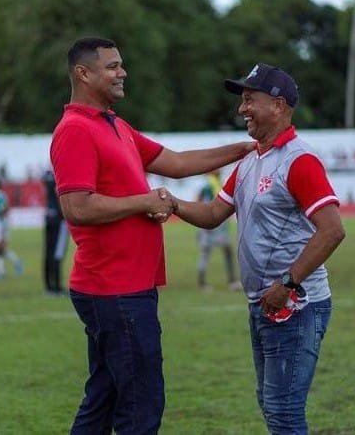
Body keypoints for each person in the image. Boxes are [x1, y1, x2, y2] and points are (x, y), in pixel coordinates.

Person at [50, 37, 255, 435]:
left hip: (127, 286)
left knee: (104, 398)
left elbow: (176, 163)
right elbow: (77, 207)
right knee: (141, 404)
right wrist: (143, 201)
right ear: (83, 73)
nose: (122, 73)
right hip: (114, 288)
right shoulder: (75, 130)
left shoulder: (114, 124)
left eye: (121, 64)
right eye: (112, 66)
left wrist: (245, 149)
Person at [168, 63, 345, 434]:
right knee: (271, 405)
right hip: (265, 304)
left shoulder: (299, 160)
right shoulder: (251, 161)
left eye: (250, 100)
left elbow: (332, 230)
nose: (241, 108)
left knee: (283, 412)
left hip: (296, 305)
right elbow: (214, 214)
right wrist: (171, 204)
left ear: (278, 106)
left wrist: (288, 283)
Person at [195, 169, 241, 291]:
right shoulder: (209, 186)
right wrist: (205, 225)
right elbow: (203, 204)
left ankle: (231, 281)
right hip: (211, 227)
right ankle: (203, 283)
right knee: (208, 253)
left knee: (224, 252)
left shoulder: (214, 183)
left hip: (219, 227)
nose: (220, 170)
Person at [0, 178, 23, 280]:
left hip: (0, 223)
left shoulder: (0, 195)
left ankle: (4, 270)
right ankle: (12, 264)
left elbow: (5, 208)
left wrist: (0, 219)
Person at [42, 168, 68, 295]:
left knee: (48, 252)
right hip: (59, 220)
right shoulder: (60, 177)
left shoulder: (48, 176)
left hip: (49, 216)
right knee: (57, 252)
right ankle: (56, 287)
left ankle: (48, 286)